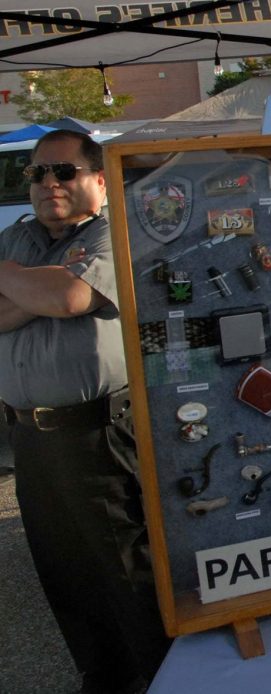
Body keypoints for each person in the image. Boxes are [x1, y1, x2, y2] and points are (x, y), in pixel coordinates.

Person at [0, 130, 169, 693]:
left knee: (127, 569)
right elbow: (54, 296)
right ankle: (105, 678)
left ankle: (163, 678)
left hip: (98, 434)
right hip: (30, 438)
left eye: (64, 172)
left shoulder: (115, 232)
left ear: (99, 179)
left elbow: (70, 298)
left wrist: (20, 283)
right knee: (65, 572)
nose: (49, 183)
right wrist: (41, 287)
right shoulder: (17, 238)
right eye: (38, 173)